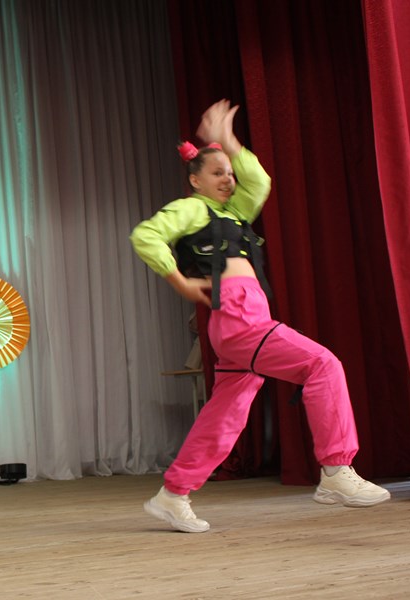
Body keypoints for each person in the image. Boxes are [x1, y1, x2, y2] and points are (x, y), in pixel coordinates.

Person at [129, 99, 390, 533]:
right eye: (217, 173)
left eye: (229, 173)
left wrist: (228, 141)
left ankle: (173, 494)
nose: (227, 179)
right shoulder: (193, 209)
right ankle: (335, 470)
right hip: (239, 319)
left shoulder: (234, 213)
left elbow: (259, 182)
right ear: (195, 180)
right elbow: (146, 235)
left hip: (238, 322)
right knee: (323, 365)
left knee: (224, 416)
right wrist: (179, 282)